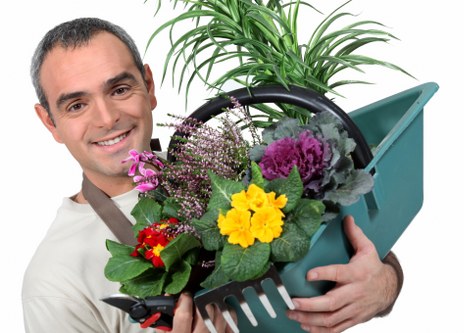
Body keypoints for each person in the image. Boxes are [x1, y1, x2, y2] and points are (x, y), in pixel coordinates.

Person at [22, 17, 403, 333]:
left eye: (120, 89)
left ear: (148, 86)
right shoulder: (55, 282)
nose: (107, 118)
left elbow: (349, 245)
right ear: (50, 122)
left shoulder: (223, 172)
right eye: (76, 105)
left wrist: (383, 285)